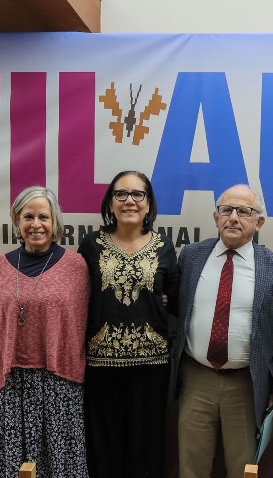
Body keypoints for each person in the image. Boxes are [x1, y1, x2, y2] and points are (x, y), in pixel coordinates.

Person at [170, 184, 273, 478]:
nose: (233, 218)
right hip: (196, 378)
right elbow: (176, 309)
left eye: (244, 212)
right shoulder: (191, 257)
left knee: (242, 468)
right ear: (216, 217)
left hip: (246, 383)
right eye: (226, 210)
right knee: (191, 466)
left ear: (259, 222)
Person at [0, 186, 90, 478]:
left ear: (55, 223)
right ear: (17, 221)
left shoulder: (76, 267)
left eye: (43, 217)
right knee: (15, 464)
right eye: (28, 216)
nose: (36, 224)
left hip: (60, 383)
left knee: (60, 463)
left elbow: (90, 324)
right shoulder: (0, 266)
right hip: (12, 383)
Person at [78, 170, 180, 478]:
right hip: (100, 365)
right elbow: (78, 299)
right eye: (121, 194)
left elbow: (175, 300)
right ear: (110, 203)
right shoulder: (91, 245)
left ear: (149, 204)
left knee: (146, 445)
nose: (129, 201)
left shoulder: (164, 247)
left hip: (151, 366)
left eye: (138, 194)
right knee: (103, 446)